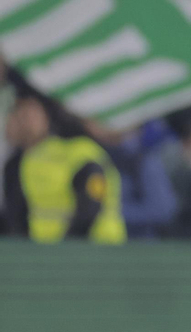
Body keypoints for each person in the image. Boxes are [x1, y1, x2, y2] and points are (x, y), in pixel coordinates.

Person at [2, 95, 125, 243]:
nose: (25, 123)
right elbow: (17, 215)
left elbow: (89, 208)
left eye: (30, 115)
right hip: (45, 253)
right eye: (20, 116)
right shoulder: (19, 162)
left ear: (46, 116)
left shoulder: (82, 153)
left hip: (99, 247)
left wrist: (65, 249)